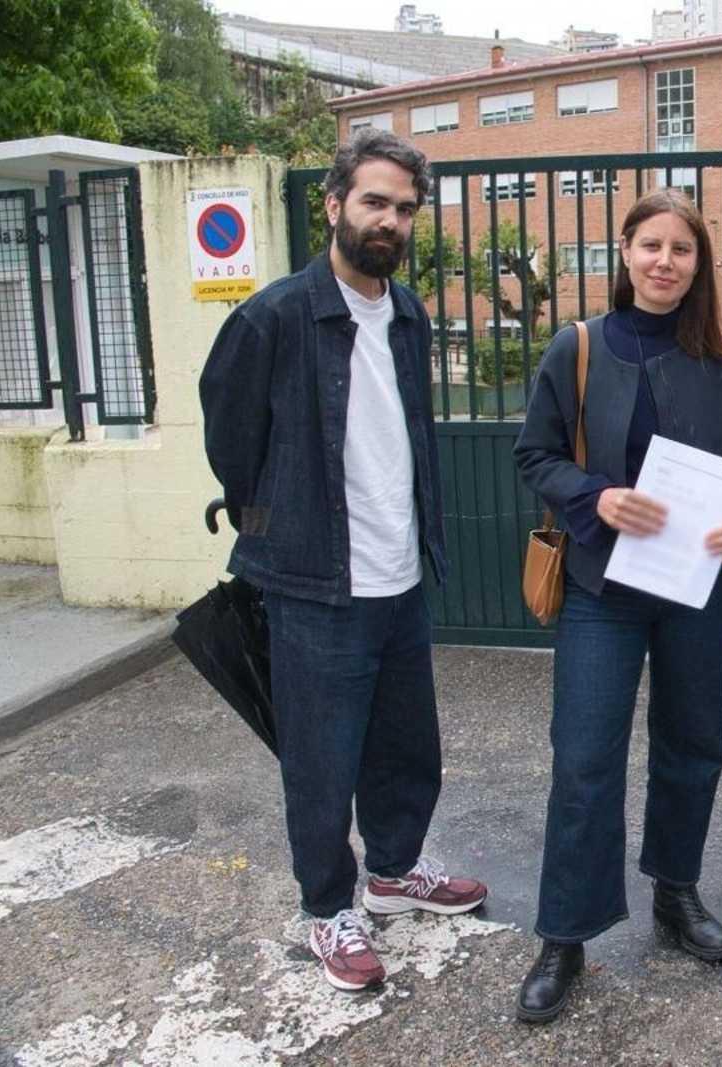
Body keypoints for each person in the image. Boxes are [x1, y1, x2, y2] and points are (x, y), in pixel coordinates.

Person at [199, 128, 487, 993]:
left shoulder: (408, 315)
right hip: (315, 582)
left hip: (400, 572)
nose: (390, 220)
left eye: (404, 208)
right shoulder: (273, 316)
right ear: (333, 206)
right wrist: (278, 529)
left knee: (406, 744)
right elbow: (231, 440)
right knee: (320, 759)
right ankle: (327, 905)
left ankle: (393, 872)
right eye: (374, 201)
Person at [512, 188, 722, 1024]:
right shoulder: (580, 345)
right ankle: (565, 933)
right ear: (625, 250)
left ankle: (675, 889)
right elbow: (535, 453)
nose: (665, 261)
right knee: (585, 756)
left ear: (699, 265)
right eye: (651, 245)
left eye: (681, 249)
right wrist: (595, 496)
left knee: (694, 744)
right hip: (602, 589)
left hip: (695, 588)